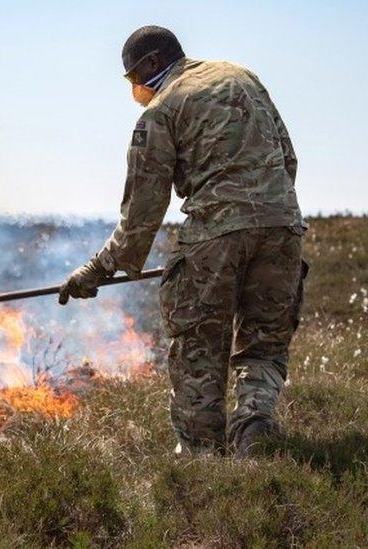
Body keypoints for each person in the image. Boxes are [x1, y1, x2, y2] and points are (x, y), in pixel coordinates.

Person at [58, 25, 308, 457]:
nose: (136, 89)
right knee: (264, 341)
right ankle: (255, 430)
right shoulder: (241, 77)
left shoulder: (161, 111)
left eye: (134, 77)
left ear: (153, 63)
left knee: (199, 349)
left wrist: (96, 270)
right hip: (283, 226)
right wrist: (267, 215)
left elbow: (141, 214)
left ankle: (203, 457)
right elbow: (288, 157)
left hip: (215, 235)